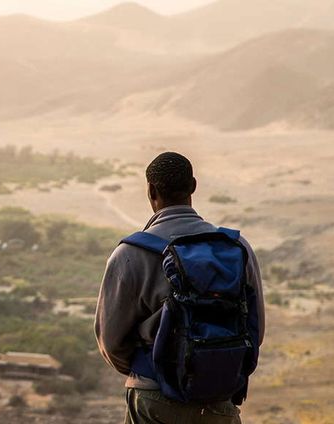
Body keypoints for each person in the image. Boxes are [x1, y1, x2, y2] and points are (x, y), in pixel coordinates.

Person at [94, 152, 265, 423]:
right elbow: (256, 330)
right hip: (219, 399)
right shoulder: (237, 248)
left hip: (153, 399)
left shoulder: (130, 254)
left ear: (151, 191)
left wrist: (154, 370)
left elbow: (111, 343)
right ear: (193, 186)